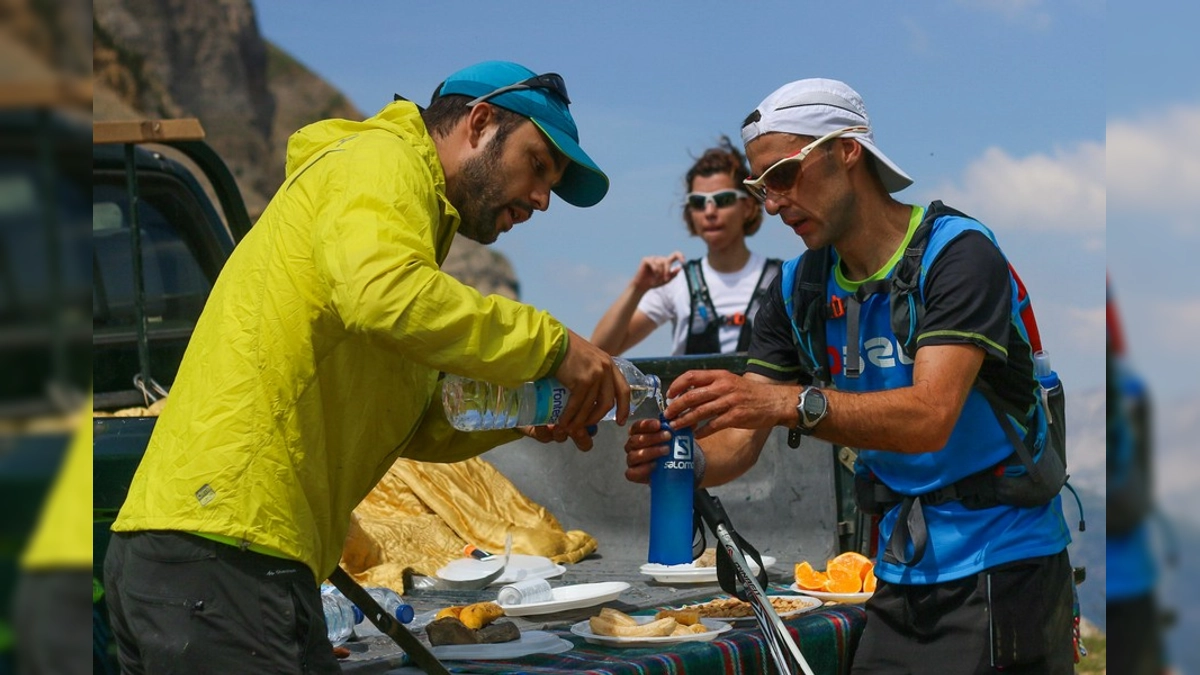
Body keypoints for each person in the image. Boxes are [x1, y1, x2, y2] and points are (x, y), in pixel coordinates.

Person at [103, 60, 631, 674]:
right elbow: (387, 296)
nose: (542, 198)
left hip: (241, 561)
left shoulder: (399, 234)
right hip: (220, 552)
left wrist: (530, 416)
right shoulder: (382, 163)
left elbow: (421, 422)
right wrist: (552, 344)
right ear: (480, 123)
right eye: (538, 165)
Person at [623, 78, 1075, 674]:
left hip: (1005, 565)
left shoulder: (958, 255)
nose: (774, 202)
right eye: (760, 188)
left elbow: (930, 416)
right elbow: (742, 435)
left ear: (847, 150)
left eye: (783, 175)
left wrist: (791, 404)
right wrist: (684, 461)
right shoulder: (796, 288)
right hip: (897, 571)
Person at [590, 138, 778, 356]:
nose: (709, 212)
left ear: (747, 206)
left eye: (723, 199)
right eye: (698, 202)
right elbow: (599, 351)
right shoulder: (675, 282)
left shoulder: (781, 280)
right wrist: (637, 288)